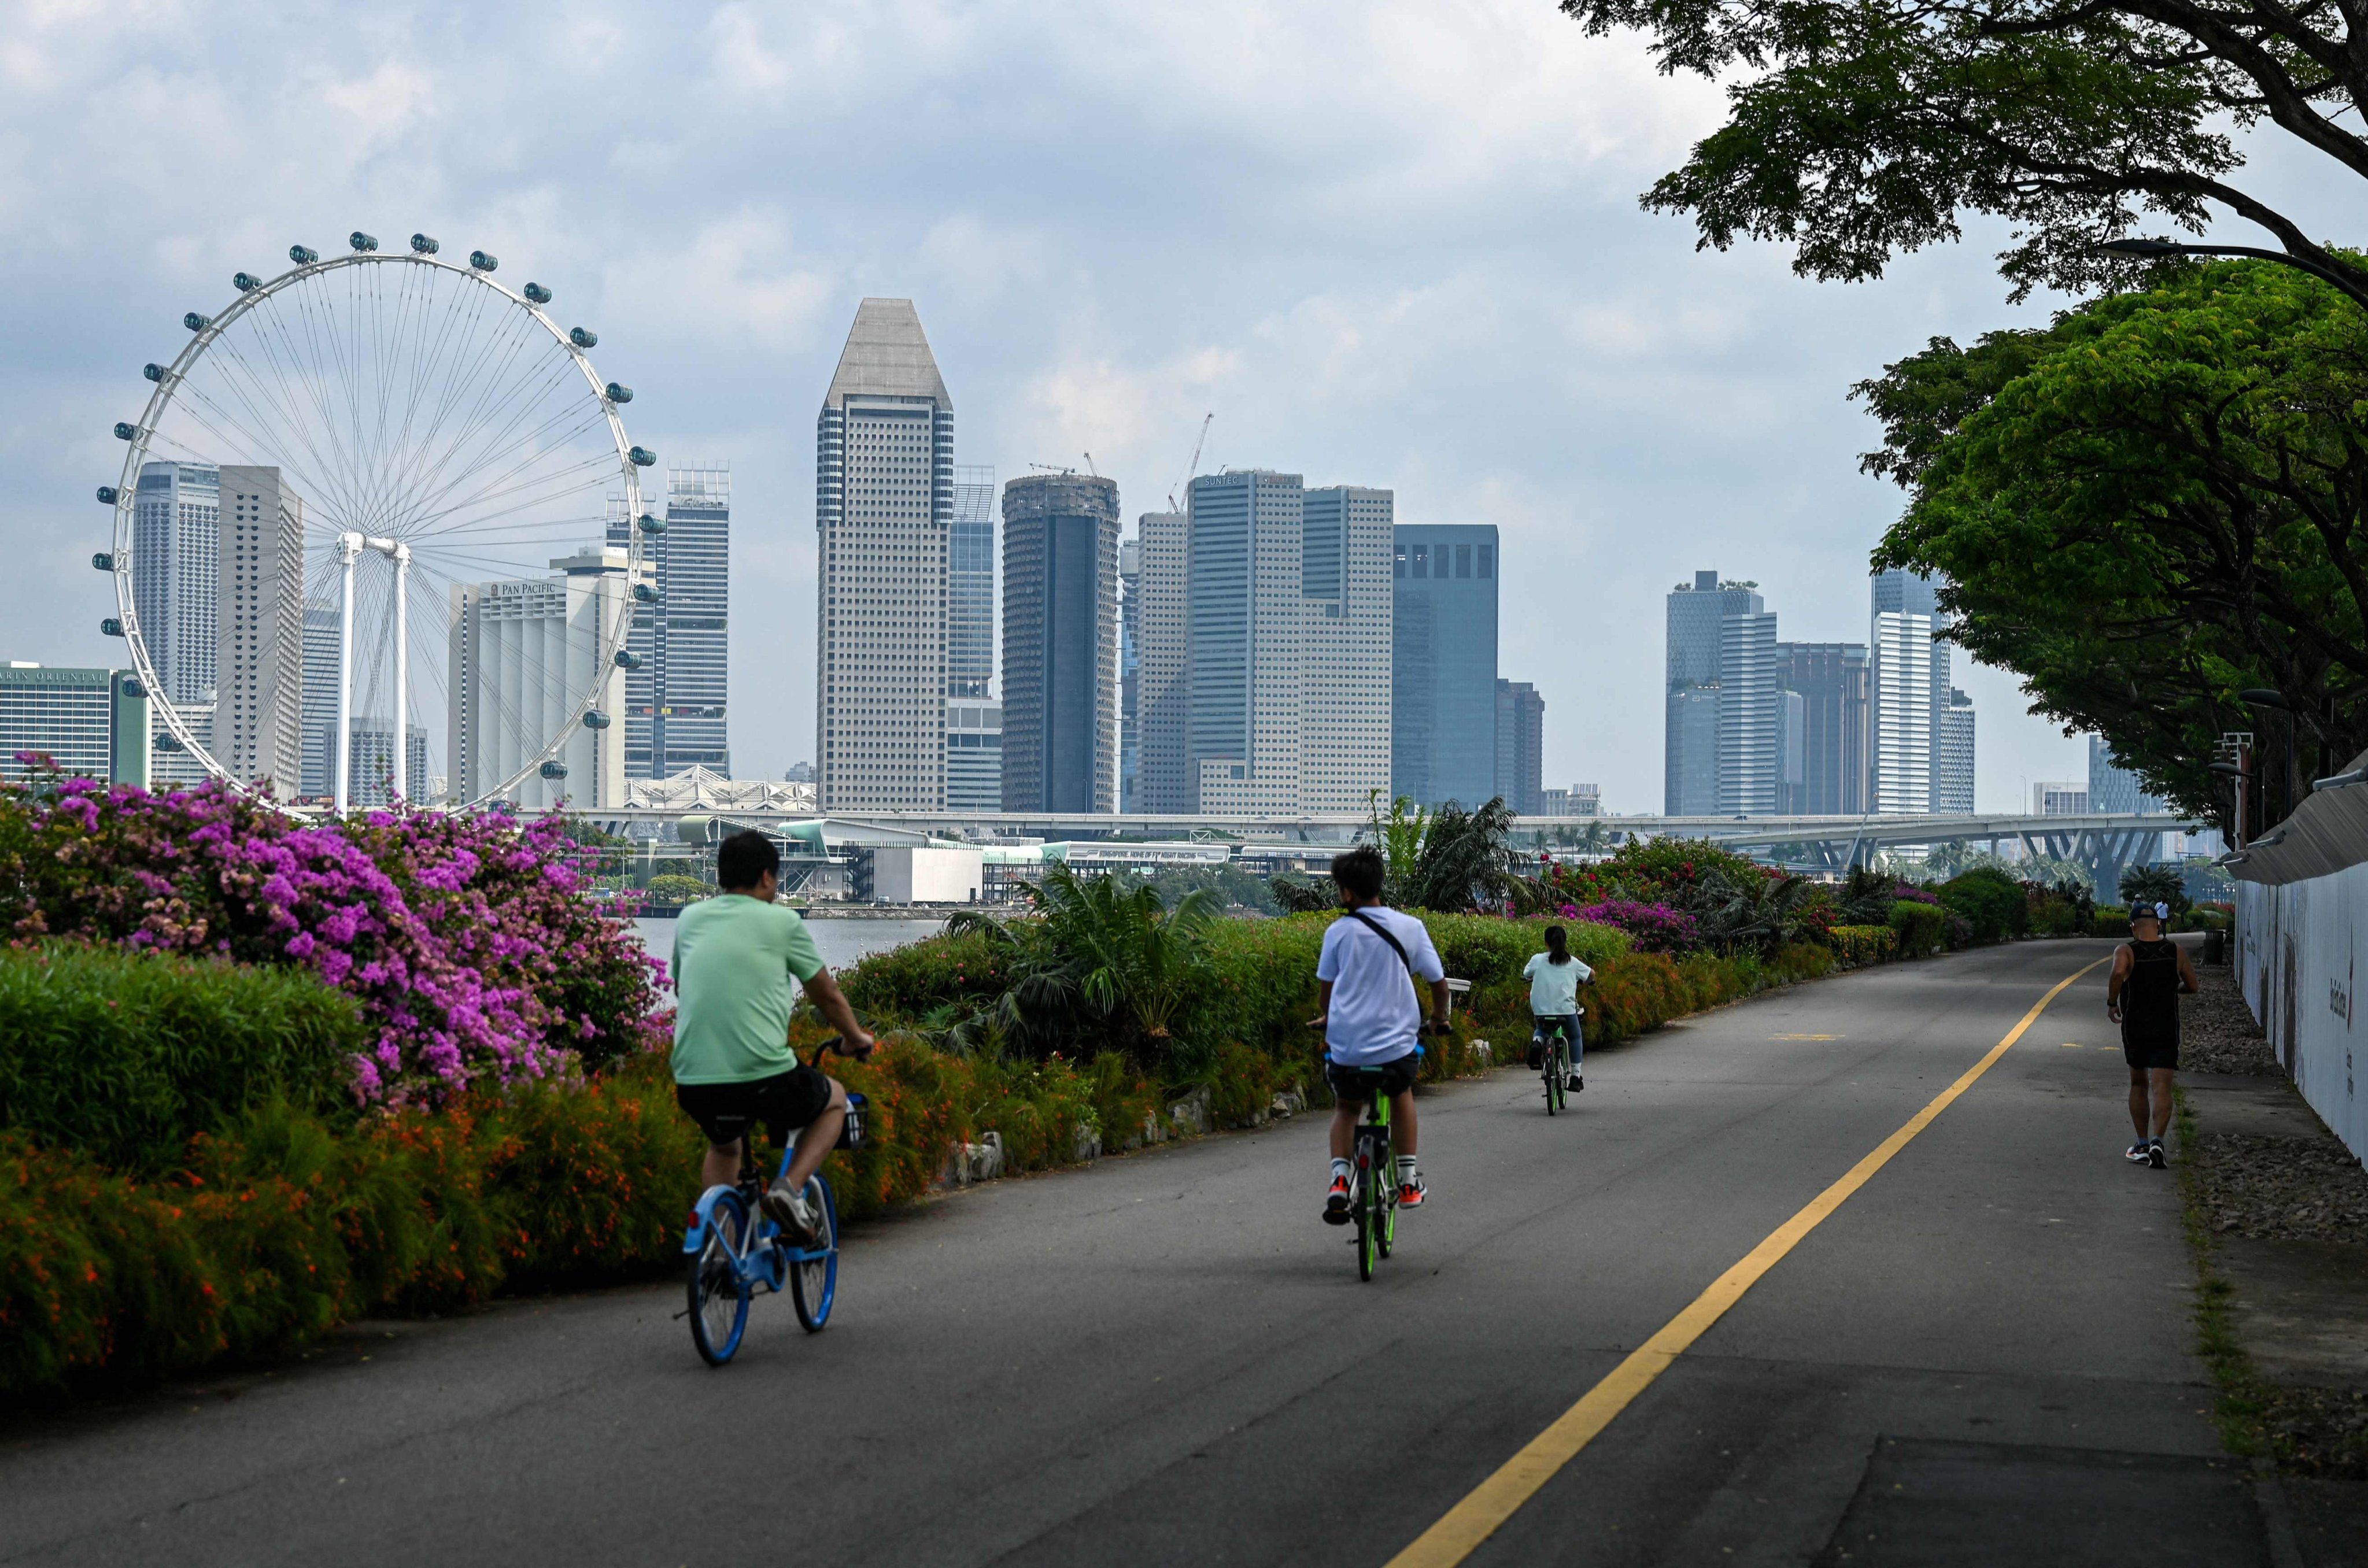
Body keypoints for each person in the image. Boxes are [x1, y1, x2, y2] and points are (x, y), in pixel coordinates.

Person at [670, 829, 875, 1245]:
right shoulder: (782, 921)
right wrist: (855, 1037)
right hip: (761, 1076)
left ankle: (720, 1250)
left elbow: (681, 987)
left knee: (725, 1147)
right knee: (834, 1100)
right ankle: (789, 1190)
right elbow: (826, 995)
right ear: (767, 877)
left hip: (692, 1079)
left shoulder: (690, 918)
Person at [1308, 845, 1450, 1223]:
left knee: (1346, 1108)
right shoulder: (1410, 927)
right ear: (1378, 884)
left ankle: (1339, 1181)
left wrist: (1327, 1017)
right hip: (1394, 1047)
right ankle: (1406, 1181)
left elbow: (1327, 987)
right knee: (1400, 1093)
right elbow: (1439, 985)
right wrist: (1438, 1019)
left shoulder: (1337, 932)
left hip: (1347, 1047)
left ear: (1346, 892)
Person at [2106, 900, 2199, 1169]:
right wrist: (2173, 990)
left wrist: (2113, 1002)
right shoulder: (2176, 951)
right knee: (2162, 1087)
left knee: (2139, 1084)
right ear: (2158, 925)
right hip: (2167, 1025)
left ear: (2132, 926)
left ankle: (2143, 1143)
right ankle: (2159, 1140)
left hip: (2136, 1026)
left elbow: (2117, 973)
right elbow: (2192, 985)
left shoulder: (2126, 951)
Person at [1523, 924, 1594, 1093]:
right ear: (1565, 942)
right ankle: (1576, 1077)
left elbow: (1526, 973)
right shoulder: (1573, 962)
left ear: (1546, 942)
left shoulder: (1538, 959)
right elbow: (1592, 974)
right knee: (1576, 1036)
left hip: (1542, 1010)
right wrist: (1587, 982)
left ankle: (1537, 1043)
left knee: (1541, 1028)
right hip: (1566, 1011)